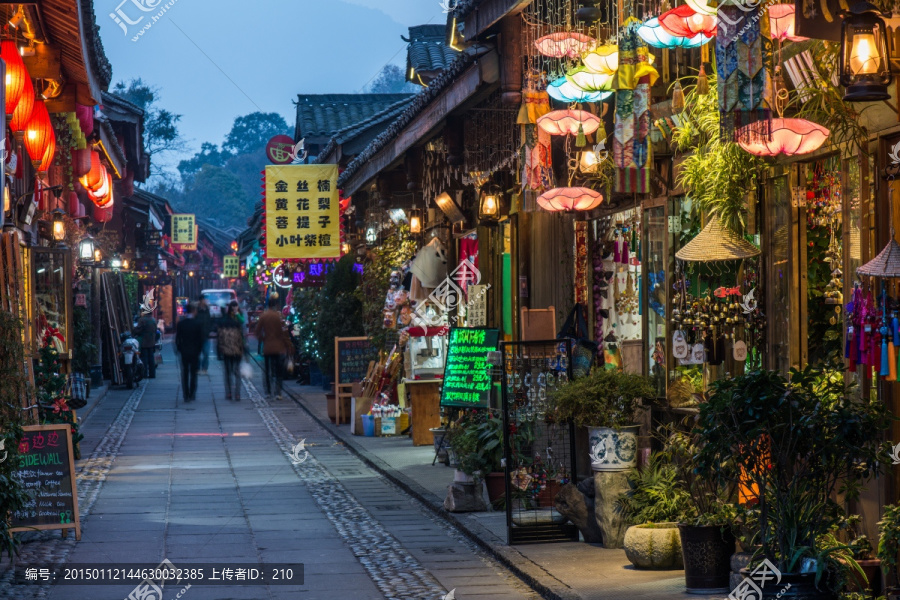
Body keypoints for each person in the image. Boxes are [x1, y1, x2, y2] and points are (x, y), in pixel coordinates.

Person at [255, 295, 288, 400]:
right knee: (278, 370)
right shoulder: (277, 317)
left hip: (267, 347)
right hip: (277, 346)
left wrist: (262, 339)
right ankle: (278, 392)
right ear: (276, 305)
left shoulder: (263, 316)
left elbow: (257, 331)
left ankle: (268, 391)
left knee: (267, 370)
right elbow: (281, 332)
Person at [176, 303, 204, 401]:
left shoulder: (181, 324)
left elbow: (177, 339)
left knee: (185, 373)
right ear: (193, 311)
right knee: (193, 373)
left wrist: (180, 349)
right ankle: (192, 393)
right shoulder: (197, 324)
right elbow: (200, 339)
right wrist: (199, 350)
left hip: (184, 351)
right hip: (195, 351)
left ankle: (185, 394)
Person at [217, 301, 245, 401]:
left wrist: (219, 350)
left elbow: (219, 338)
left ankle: (229, 392)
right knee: (237, 372)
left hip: (226, 351)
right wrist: (243, 349)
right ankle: (237, 393)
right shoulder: (237, 324)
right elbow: (241, 337)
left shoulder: (223, 322)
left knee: (228, 372)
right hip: (237, 350)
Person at [136, 307, 158, 379]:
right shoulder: (153, 319)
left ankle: (144, 374)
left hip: (144, 341)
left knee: (144, 358)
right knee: (151, 358)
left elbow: (138, 329)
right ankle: (152, 374)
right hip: (152, 341)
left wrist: (134, 332)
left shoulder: (142, 320)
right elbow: (155, 330)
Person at [196, 295, 212, 374]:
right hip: (197, 335)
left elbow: (209, 321)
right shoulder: (196, 310)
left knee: (206, 353)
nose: (206, 301)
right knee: (197, 354)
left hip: (206, 335)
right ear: (201, 300)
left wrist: (209, 330)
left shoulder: (207, 310)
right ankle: (198, 368)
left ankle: (205, 368)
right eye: (205, 299)